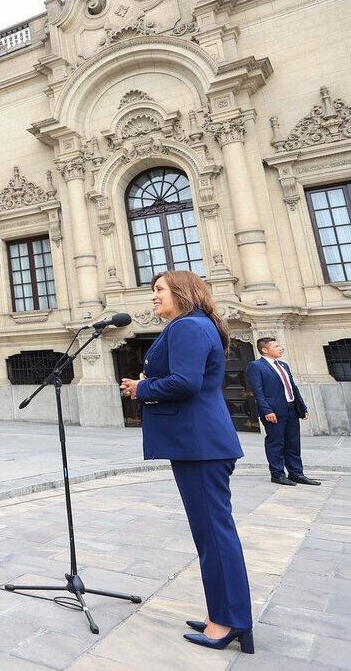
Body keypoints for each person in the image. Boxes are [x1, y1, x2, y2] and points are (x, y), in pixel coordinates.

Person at [119, 270, 253, 654]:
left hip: (200, 444)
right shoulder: (197, 325)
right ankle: (222, 614)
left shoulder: (187, 327)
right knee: (210, 535)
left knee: (214, 534)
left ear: (182, 292)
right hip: (201, 443)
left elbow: (186, 382)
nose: (153, 297)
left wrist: (140, 387)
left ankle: (229, 620)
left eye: (159, 289)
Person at [244, 338, 319, 486]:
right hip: (273, 412)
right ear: (265, 350)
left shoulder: (283, 365)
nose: (281, 348)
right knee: (276, 443)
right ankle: (277, 474)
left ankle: (296, 473)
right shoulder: (256, 366)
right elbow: (257, 391)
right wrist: (266, 410)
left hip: (291, 410)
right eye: (276, 346)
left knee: (293, 443)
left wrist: (301, 408)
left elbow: (292, 387)